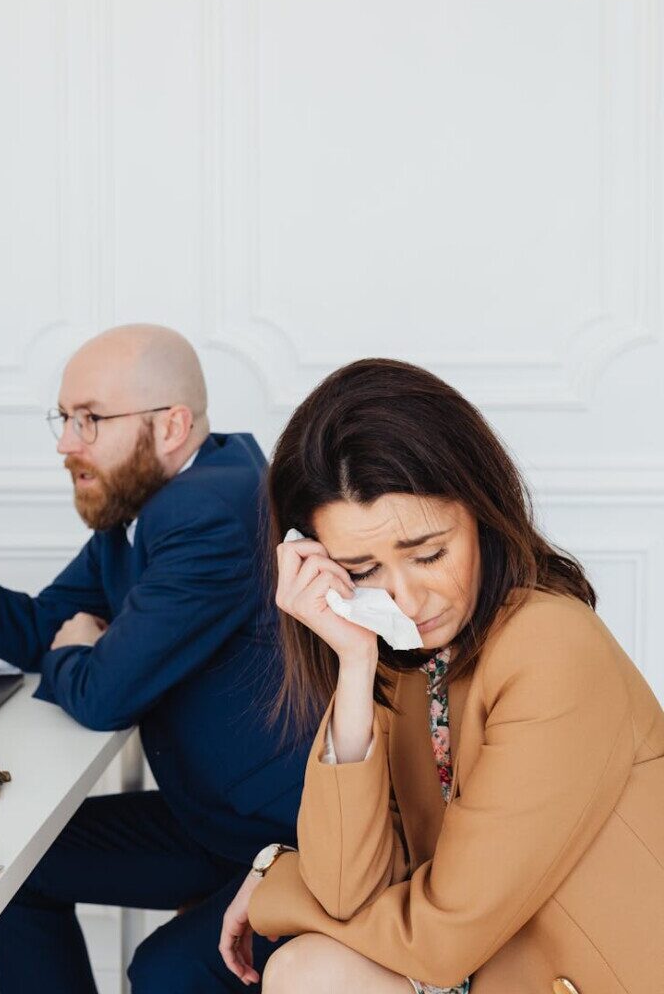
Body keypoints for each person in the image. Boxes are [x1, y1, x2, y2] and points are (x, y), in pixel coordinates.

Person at [0, 324, 309, 993]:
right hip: (209, 820)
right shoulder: (147, 502)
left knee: (161, 972)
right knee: (16, 871)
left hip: (290, 844)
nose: (65, 443)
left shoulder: (209, 510)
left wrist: (76, 651)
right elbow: (45, 622)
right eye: (65, 418)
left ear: (172, 425)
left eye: (90, 419)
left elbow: (104, 695)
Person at [219, 358, 664, 994]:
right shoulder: (401, 664)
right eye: (361, 570)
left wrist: (275, 884)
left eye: (429, 554)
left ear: (481, 515)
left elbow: (440, 939)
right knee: (303, 969)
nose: (406, 597)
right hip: (492, 976)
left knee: (303, 969)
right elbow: (348, 893)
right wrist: (353, 667)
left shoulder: (552, 646)